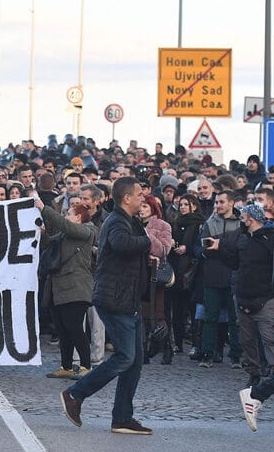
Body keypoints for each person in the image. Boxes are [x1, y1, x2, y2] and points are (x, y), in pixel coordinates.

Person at [60, 177, 154, 435]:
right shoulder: (117, 221)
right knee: (125, 357)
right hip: (115, 299)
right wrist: (148, 241)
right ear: (127, 198)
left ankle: (122, 418)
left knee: (134, 362)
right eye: (139, 195)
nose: (143, 198)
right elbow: (122, 244)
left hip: (128, 299)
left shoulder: (130, 221)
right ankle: (75, 394)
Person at [207, 203, 274, 390]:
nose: (241, 220)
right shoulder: (243, 239)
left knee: (269, 339)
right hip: (243, 297)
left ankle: (273, 377)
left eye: (243, 217)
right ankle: (254, 374)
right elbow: (235, 263)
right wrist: (219, 249)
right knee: (246, 340)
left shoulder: (270, 239)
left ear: (251, 220)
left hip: (265, 298)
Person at [37, 196, 97, 380]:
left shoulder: (86, 231)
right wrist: (43, 233)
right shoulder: (65, 235)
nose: (65, 216)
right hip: (58, 289)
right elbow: (48, 244)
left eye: (69, 214)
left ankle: (86, 366)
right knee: (63, 329)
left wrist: (44, 208)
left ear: (78, 217)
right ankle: (66, 366)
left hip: (76, 289)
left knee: (74, 327)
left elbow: (65, 225)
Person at [196, 190, 242, 368]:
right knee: (210, 318)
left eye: (221, 202)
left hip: (233, 276)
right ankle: (207, 354)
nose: (218, 205)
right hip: (212, 275)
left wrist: (220, 246)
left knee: (234, 319)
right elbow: (204, 248)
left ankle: (236, 356)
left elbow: (238, 249)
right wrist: (221, 249)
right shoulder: (210, 223)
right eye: (216, 202)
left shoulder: (240, 223)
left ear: (231, 203)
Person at [137, 194, 175, 365]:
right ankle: (143, 350)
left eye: (145, 206)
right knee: (141, 314)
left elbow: (164, 249)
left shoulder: (162, 225)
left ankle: (166, 347)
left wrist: (147, 235)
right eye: (140, 206)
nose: (141, 209)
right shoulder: (133, 223)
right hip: (138, 273)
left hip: (155, 276)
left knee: (157, 313)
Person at [169, 194, 205, 359]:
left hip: (192, 271)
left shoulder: (199, 224)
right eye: (181, 204)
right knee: (177, 309)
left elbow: (199, 246)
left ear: (194, 206)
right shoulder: (176, 223)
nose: (182, 207)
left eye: (186, 204)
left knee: (193, 309)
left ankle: (196, 344)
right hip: (177, 269)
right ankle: (178, 343)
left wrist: (187, 248)